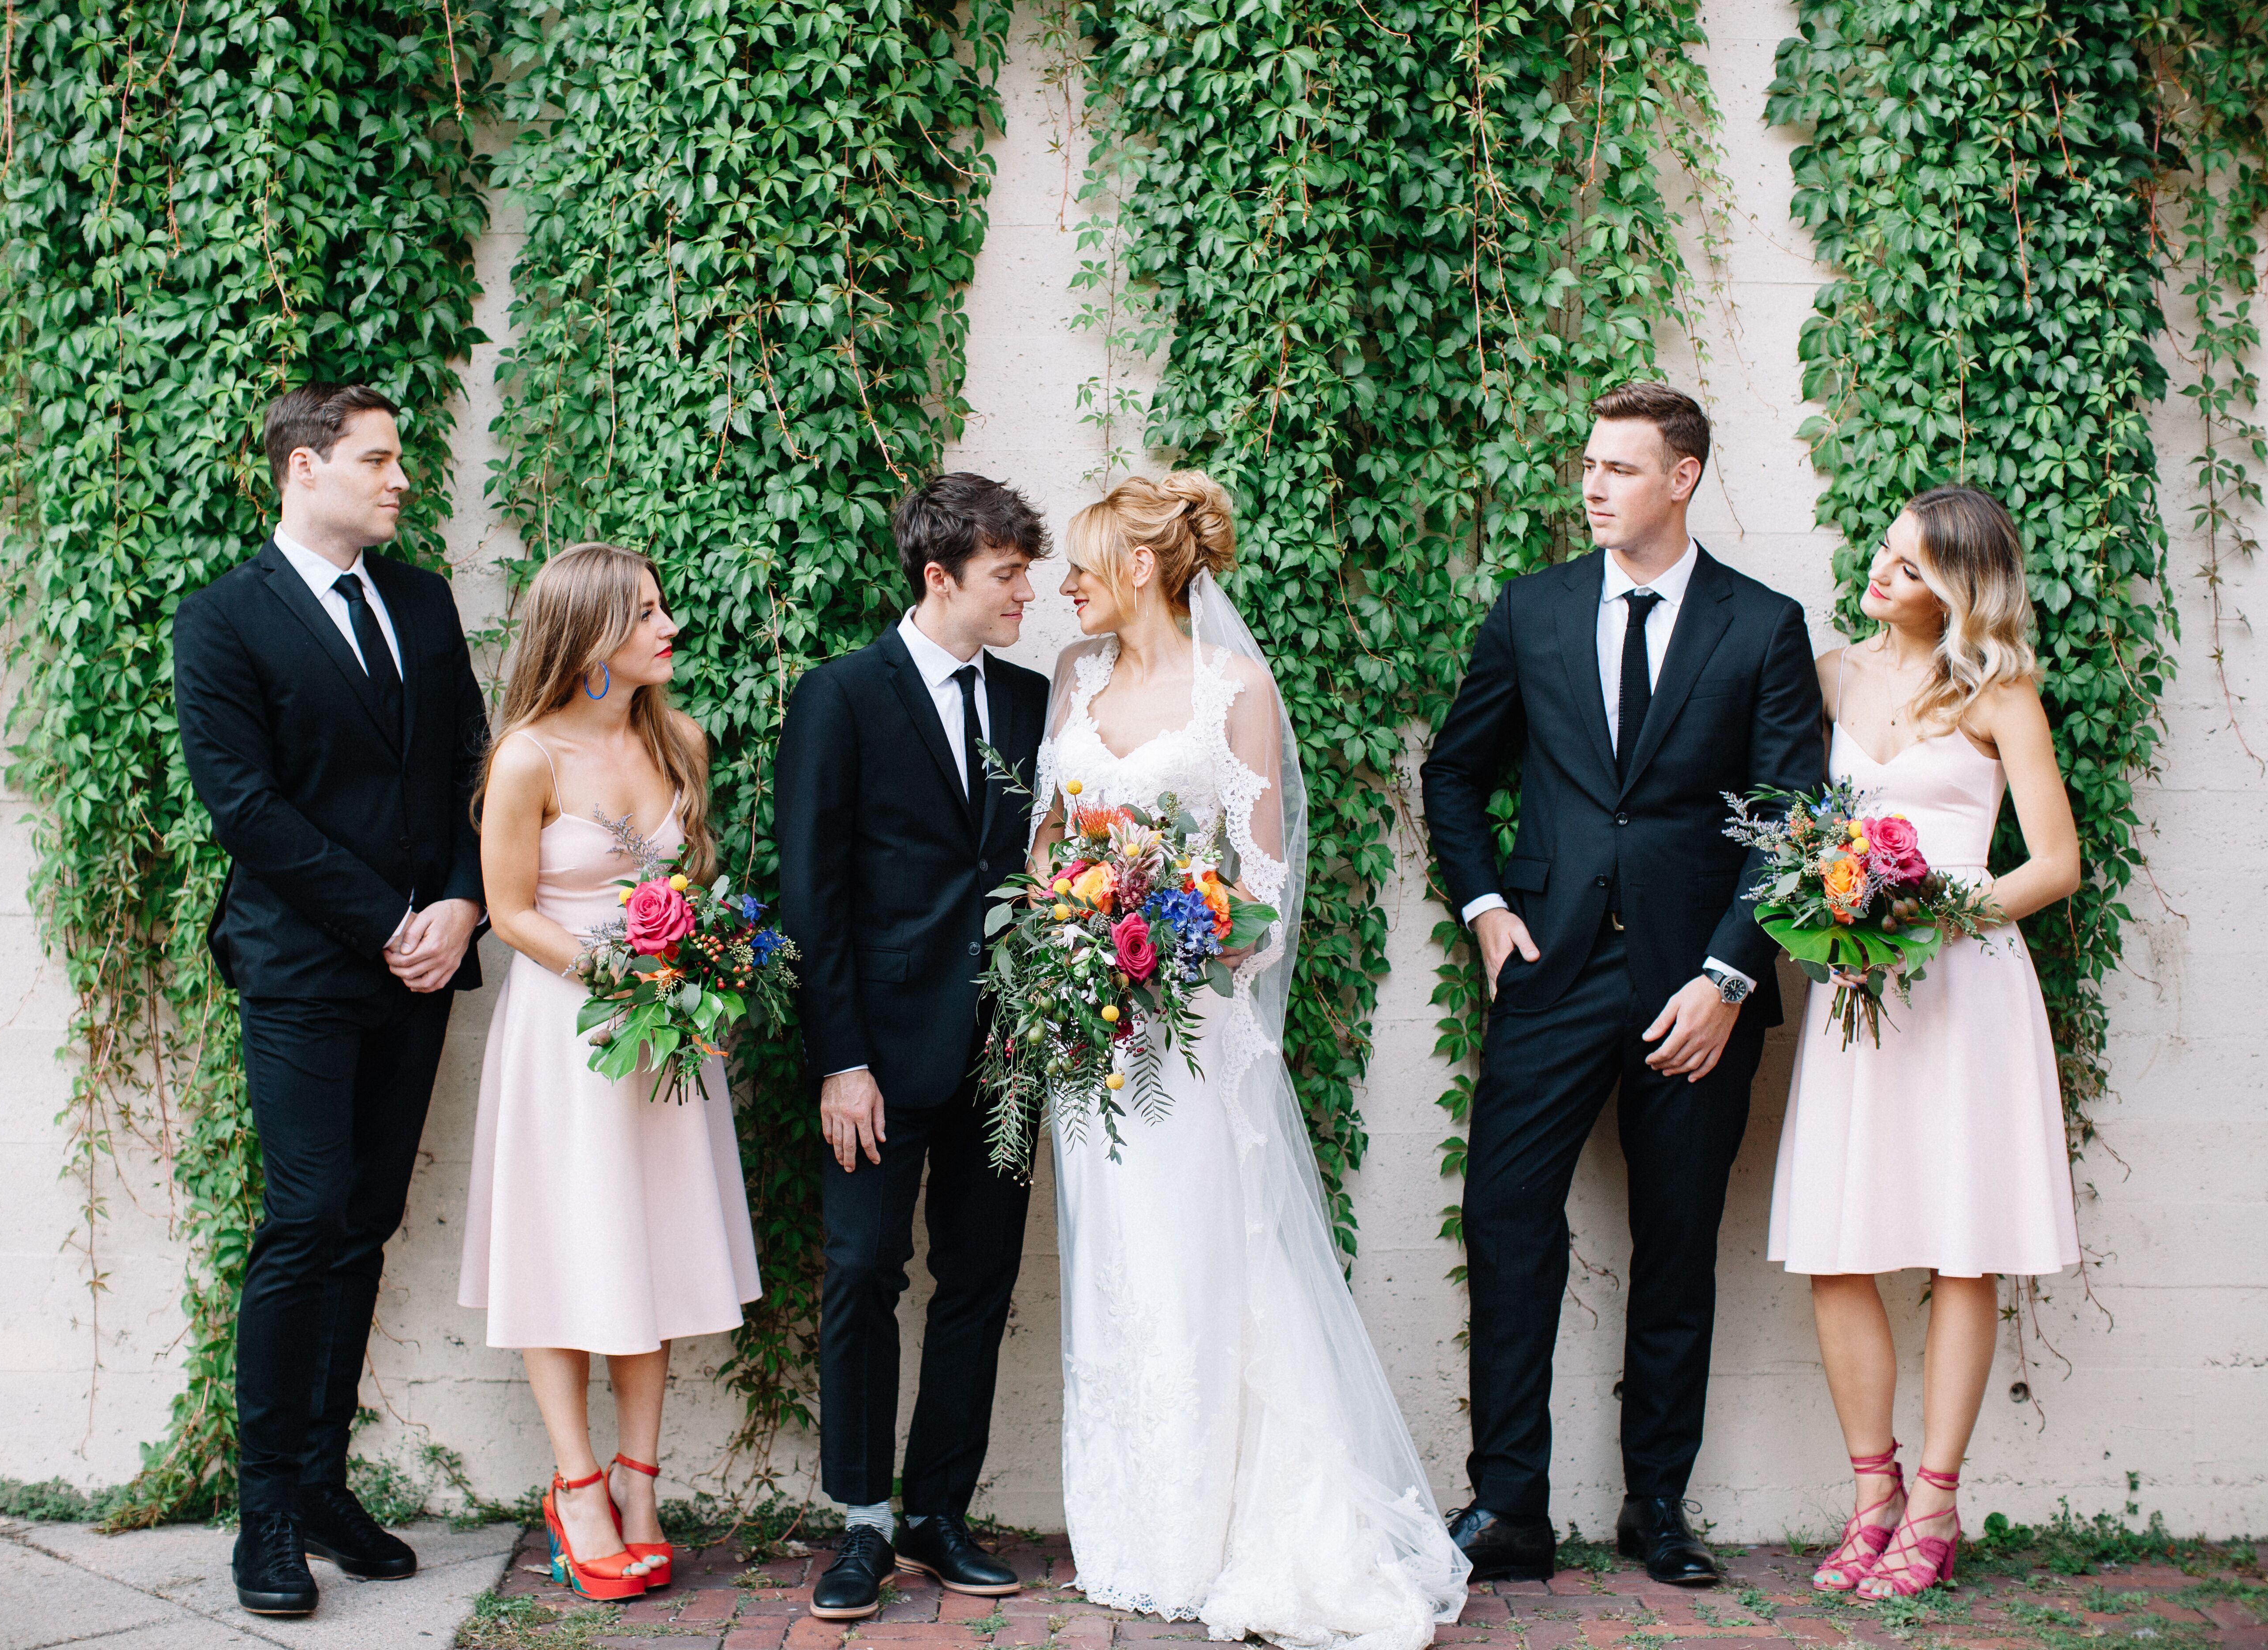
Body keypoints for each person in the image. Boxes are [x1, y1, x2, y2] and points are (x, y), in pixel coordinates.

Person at [1030, 472, 1468, 1648]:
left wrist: (1167, 942)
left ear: (1138, 568)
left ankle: (1218, 1530)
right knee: (1114, 1261)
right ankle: (1133, 1529)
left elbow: (1263, 889)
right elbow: (1045, 849)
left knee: (1195, 1261)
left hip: (1190, 1025)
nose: (1062, 585)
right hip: (1092, 1030)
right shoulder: (1076, 680)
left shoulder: (1236, 689)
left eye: (1081, 562)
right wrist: (1070, 941)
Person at [1419, 382, 1830, 1586]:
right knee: (1504, 1224)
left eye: (1620, 467)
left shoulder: (1760, 627)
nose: (1593, 485)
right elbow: (1455, 775)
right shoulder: (1532, 610)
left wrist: (1727, 977)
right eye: (1588, 466)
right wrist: (1488, 910)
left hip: (1692, 987)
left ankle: (1658, 1504)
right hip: (1547, 969)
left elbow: (1792, 823)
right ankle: (1508, 1509)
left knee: (1678, 1242)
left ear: (1684, 477)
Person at [172, 383, 490, 1616]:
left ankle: (319, 1483)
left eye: (398, 457)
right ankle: (263, 1516)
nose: (400, 477)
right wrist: (386, 920)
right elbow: (244, 807)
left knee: (363, 1222)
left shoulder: (417, 598)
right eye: (377, 458)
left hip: (423, 961)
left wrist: (461, 903)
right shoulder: (224, 620)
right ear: (305, 470)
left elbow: (477, 764)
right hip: (306, 967)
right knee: (304, 1224)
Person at [1771, 486, 2080, 1598]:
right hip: (1861, 991)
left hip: (1964, 991)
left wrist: (1937, 914)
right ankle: (1873, 1496)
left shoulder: (2003, 696)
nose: (1881, 574)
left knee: (1962, 1243)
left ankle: (1938, 1506)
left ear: (1957, 586)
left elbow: (2054, 863)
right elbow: (1784, 818)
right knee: (1839, 1242)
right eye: (1883, 555)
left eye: (1908, 566)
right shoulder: (1830, 675)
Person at [773, 475, 1053, 1622]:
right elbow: (810, 892)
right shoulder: (840, 697)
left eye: (1028, 573)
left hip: (1005, 1053)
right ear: (940, 578)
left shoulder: (1035, 705)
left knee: (979, 1285)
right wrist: (841, 1059)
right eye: (1006, 576)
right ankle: (862, 1527)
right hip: (877, 1059)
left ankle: (939, 1511)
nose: (1026, 594)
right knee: (862, 1279)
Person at [459, 543, 761, 1602]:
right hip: (571, 1034)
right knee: (563, 1253)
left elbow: (695, 882)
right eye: (643, 613)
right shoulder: (527, 759)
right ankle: (576, 1486)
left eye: (662, 604)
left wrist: (698, 986)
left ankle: (641, 1481)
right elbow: (508, 914)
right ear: (588, 634)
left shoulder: (679, 738)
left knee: (653, 1251)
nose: (667, 624)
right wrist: (621, 976)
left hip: (669, 1039)